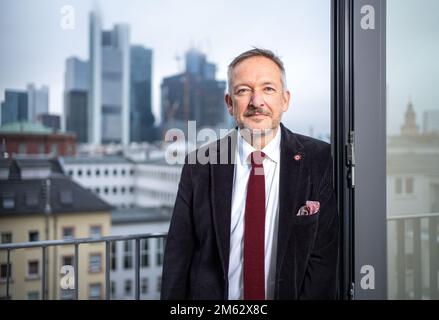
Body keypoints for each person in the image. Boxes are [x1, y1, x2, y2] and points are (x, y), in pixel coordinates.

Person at [161, 48, 339, 300]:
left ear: (285, 100)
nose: (257, 102)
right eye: (244, 90)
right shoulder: (199, 165)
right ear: (230, 103)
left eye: (268, 89)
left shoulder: (320, 160)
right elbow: (178, 257)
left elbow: (323, 261)